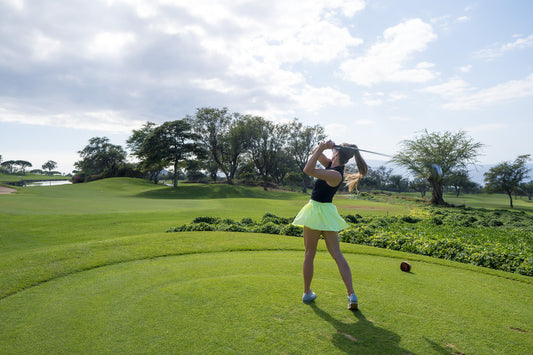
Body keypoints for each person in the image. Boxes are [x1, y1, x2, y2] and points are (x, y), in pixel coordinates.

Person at [292, 139, 367, 310]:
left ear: (338, 153)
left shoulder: (335, 174)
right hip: (327, 214)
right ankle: (351, 295)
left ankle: (307, 292)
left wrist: (323, 148)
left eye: (335, 150)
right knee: (337, 255)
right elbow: (314, 153)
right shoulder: (331, 166)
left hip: (316, 212)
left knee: (310, 253)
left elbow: (307, 169)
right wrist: (322, 146)